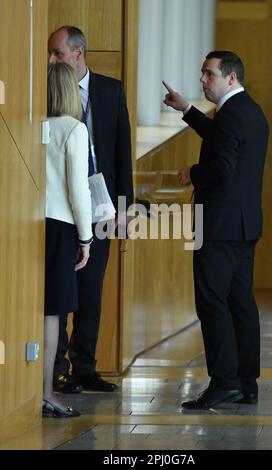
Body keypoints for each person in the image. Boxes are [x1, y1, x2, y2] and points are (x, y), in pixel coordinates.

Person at [163, 51, 269, 409]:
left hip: (220, 225)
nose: (202, 81)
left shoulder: (231, 115)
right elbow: (222, 140)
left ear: (231, 78)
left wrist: (194, 172)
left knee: (211, 301)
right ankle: (246, 383)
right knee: (240, 302)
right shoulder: (248, 111)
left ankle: (223, 382)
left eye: (209, 74)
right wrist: (186, 109)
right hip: (243, 224)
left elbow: (222, 165)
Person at [48, 26, 134, 393]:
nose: (52, 60)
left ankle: (85, 367)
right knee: (60, 289)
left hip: (102, 203)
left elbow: (122, 152)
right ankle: (57, 368)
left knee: (90, 289)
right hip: (62, 205)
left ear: (78, 53)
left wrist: (126, 207)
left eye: (57, 53)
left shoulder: (111, 90)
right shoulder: (47, 88)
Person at [43, 62, 92, 417]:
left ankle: (27, 392)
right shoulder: (73, 129)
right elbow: (79, 190)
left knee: (28, 306)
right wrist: (86, 238)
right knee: (51, 314)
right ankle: (45, 393)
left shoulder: (32, 125)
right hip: (60, 228)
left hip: (27, 225)